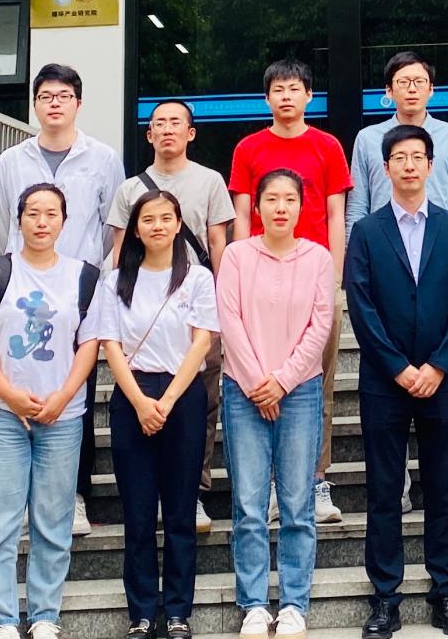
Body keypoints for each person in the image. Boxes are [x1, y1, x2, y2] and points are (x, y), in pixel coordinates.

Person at [345, 124, 448, 639]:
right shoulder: (367, 231)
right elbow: (361, 304)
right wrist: (398, 366)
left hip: (442, 379)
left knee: (442, 489)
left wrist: (439, 364)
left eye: (417, 157)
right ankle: (385, 597)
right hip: (385, 382)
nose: (408, 165)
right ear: (386, 168)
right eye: (399, 157)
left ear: (429, 165)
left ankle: (446, 592)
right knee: (384, 492)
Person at [0, 64, 125, 536]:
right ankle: (25, 496)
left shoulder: (103, 158)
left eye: (64, 96)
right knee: (17, 383)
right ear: (35, 104)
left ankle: (76, 495)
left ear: (78, 104)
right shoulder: (12, 160)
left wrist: (83, 268)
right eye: (46, 96)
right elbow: (0, 218)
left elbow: (112, 224)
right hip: (22, 291)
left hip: (77, 290)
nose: (55, 104)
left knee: (75, 390)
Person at [0, 183, 102, 639]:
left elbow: (90, 344)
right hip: (2, 416)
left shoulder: (84, 276)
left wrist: (62, 397)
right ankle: (2, 619)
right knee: (0, 521)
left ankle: (44, 615)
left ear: (64, 221)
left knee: (53, 521)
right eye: (33, 213)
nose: (42, 221)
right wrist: (8, 394)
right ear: (18, 220)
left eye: (51, 213)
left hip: (63, 416)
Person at [348, 52, 448, 519]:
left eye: (419, 80)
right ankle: (400, 489)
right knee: (390, 396)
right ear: (388, 91)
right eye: (402, 81)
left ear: (431, 89)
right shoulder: (368, 139)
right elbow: (358, 206)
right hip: (384, 266)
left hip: (442, 270)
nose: (411, 88)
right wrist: (355, 266)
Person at [228, 59, 351, 525]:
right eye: (278, 89)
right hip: (258, 278)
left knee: (317, 383)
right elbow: (243, 214)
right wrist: (242, 270)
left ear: (308, 96)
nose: (286, 96)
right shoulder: (249, 148)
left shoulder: (327, 146)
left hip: (313, 277)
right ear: (267, 98)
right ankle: (271, 486)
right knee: (257, 374)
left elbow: (336, 214)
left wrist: (334, 277)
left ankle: (314, 480)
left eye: (294, 88)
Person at [94, 186, 219, 639]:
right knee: (139, 512)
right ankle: (143, 612)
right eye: (148, 219)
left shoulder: (197, 278)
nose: (158, 226)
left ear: (179, 224)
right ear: (135, 229)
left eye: (167, 218)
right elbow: (110, 345)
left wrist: (165, 403)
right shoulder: (115, 281)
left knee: (181, 511)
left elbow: (202, 342)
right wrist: (141, 402)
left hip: (182, 396)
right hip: (133, 394)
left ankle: (179, 610)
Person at [216, 168, 335, 639]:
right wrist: (256, 382)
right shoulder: (237, 256)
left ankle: (293, 603)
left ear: (302, 206)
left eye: (290, 198)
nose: (280, 207)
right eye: (271, 199)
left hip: (299, 390)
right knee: (248, 503)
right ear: (257, 206)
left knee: (297, 503)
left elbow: (320, 325)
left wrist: (282, 382)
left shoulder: (318, 258)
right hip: (242, 390)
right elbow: (229, 319)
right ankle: (252, 604)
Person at [108, 99, 235, 532]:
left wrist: (220, 304)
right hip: (142, 309)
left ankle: (194, 490)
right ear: (148, 135)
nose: (167, 130)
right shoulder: (130, 189)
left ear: (190, 133)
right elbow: (120, 251)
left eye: (175, 123)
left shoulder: (210, 180)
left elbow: (217, 245)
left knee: (204, 399)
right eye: (158, 123)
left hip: (195, 306)